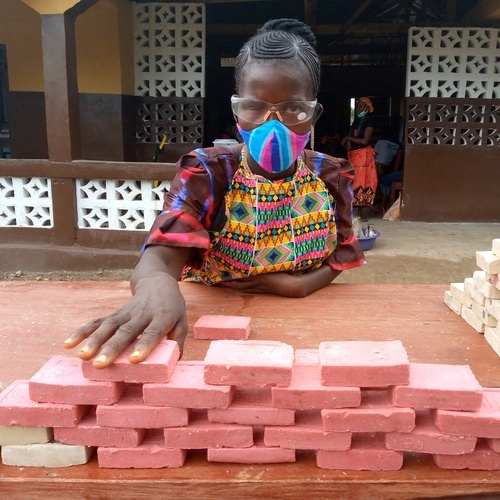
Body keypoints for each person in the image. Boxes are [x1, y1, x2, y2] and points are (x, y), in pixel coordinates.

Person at [63, 18, 365, 368]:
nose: (273, 125)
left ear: (314, 114)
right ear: (237, 109)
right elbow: (162, 254)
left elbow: (343, 253)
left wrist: (298, 286)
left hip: (312, 327)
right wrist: (156, 286)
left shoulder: (331, 174)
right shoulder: (207, 172)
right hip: (223, 323)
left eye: (294, 109)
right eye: (255, 108)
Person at [340, 97, 377, 221]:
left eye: (360, 106)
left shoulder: (369, 122)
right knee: (352, 181)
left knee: (362, 182)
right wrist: (348, 143)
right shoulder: (357, 121)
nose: (358, 108)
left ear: (366, 108)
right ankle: (351, 211)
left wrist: (348, 139)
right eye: (357, 105)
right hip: (355, 155)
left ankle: (361, 212)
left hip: (363, 156)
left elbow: (364, 141)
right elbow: (351, 135)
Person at [373, 126, 403, 213]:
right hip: (386, 167)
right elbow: (397, 160)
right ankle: (383, 203)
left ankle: (379, 203)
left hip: (377, 165)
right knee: (384, 182)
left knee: (374, 183)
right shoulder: (397, 145)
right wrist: (395, 170)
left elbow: (373, 154)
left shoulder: (381, 142)